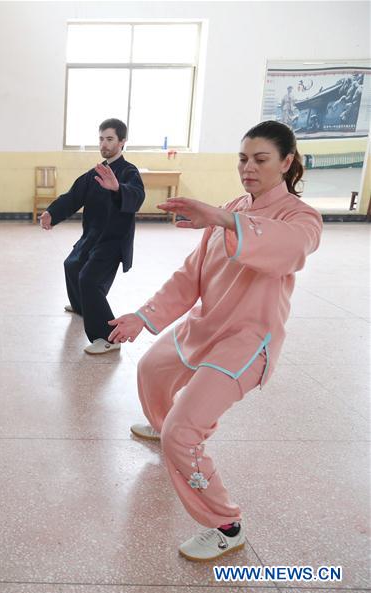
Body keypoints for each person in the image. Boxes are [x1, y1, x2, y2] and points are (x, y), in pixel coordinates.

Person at [107, 121, 322, 561]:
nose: (248, 167)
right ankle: (166, 427)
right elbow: (191, 276)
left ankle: (226, 524)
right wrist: (143, 317)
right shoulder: (232, 206)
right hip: (207, 325)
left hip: (246, 342)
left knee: (184, 435)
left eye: (260, 160)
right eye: (243, 158)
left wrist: (225, 218)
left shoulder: (302, 218)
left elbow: (290, 250)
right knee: (151, 369)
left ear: (286, 162)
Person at [39, 118, 145, 354]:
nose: (104, 144)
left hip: (113, 241)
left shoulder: (129, 172)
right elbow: (73, 196)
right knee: (71, 264)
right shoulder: (95, 173)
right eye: (101, 139)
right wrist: (51, 213)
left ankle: (108, 338)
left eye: (110, 139)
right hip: (92, 237)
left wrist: (118, 188)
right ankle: (82, 307)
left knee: (89, 279)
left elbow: (137, 197)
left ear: (122, 142)